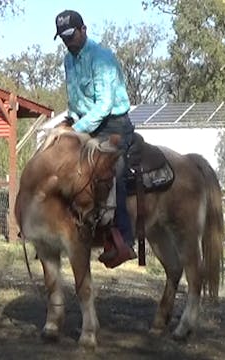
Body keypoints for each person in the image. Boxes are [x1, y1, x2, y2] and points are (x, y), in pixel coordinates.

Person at [54, 10, 136, 265]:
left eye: (71, 35)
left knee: (113, 169)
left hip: (113, 124)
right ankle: (57, 227)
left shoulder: (102, 59)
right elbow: (74, 98)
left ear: (83, 30)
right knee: (57, 156)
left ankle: (124, 238)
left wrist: (78, 128)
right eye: (64, 37)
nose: (68, 41)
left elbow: (104, 104)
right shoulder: (68, 60)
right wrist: (69, 122)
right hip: (84, 122)